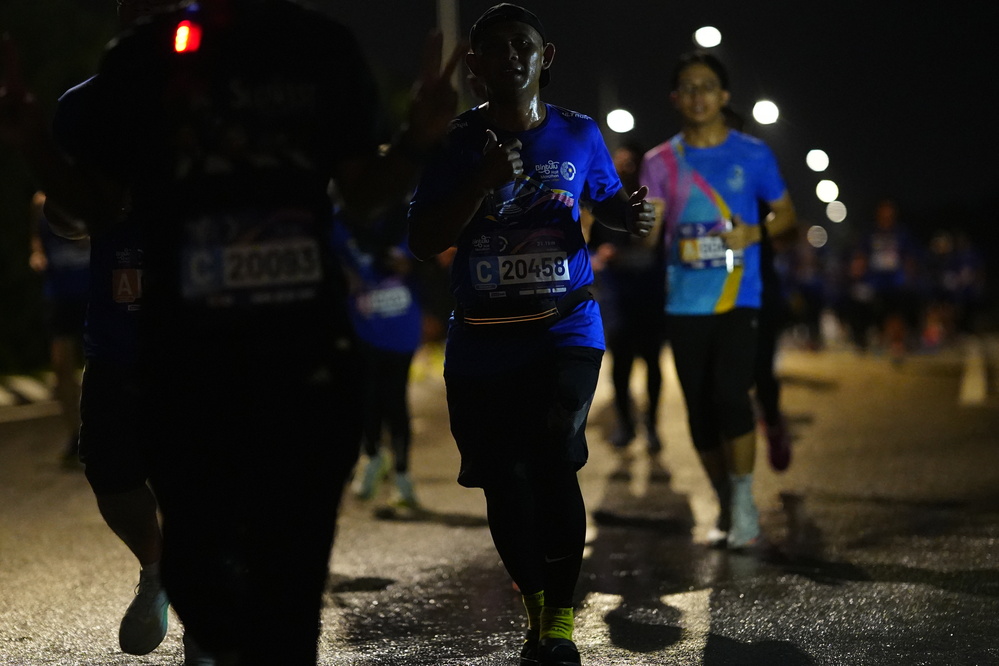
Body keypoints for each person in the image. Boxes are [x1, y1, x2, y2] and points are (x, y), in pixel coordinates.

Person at [1, 1, 463, 663]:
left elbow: (362, 194)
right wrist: (33, 143)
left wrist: (419, 138)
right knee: (198, 569)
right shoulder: (139, 60)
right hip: (180, 357)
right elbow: (94, 208)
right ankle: (177, 593)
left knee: (289, 584)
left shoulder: (319, 49)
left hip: (304, 354)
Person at [408, 5, 654, 665]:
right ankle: (537, 607)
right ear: (475, 65)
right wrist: (479, 184)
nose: (511, 56)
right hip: (482, 341)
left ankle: (560, 623)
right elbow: (423, 238)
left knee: (551, 457)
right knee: (503, 480)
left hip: (564, 327)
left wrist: (626, 215)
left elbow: (604, 202)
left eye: (523, 44)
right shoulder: (455, 141)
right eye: (496, 47)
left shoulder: (579, 132)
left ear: (546, 56)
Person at [640, 52, 798, 549]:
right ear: (675, 98)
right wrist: (632, 220)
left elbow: (786, 215)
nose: (698, 96)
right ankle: (724, 498)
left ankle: (745, 500)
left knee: (732, 395)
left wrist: (754, 232)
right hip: (683, 302)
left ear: (724, 96)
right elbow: (649, 234)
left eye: (707, 86)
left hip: (738, 297)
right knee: (699, 412)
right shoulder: (659, 161)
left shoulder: (753, 154)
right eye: (688, 87)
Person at [331, 196, 424, 510]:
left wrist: (405, 261)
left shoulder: (407, 215)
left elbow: (422, 258)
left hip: (400, 323)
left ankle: (402, 475)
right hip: (362, 324)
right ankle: (372, 455)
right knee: (365, 396)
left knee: (395, 399)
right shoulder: (340, 220)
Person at [587, 143, 667, 454]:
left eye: (629, 163)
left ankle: (652, 426)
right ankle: (626, 425)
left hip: (649, 296)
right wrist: (601, 256)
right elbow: (592, 249)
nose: (623, 169)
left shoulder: (655, 204)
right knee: (620, 366)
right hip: (618, 299)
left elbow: (661, 250)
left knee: (652, 364)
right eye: (618, 163)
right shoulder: (605, 206)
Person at [28, 190, 90, 467]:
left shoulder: (85, 191)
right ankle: (75, 435)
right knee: (61, 365)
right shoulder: (40, 203)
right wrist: (37, 254)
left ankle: (107, 430)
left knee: (101, 362)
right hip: (59, 293)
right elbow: (37, 237)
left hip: (90, 289)